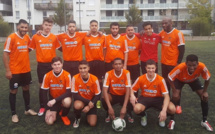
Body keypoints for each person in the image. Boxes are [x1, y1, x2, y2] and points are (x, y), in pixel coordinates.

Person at [3, 19, 37, 123]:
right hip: (15, 70)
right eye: (22, 27)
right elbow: (5, 54)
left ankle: (27, 109)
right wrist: (8, 70)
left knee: (26, 88)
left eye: (26, 27)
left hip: (26, 69)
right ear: (18, 27)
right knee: (14, 90)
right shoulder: (11, 37)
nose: (24, 29)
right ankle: (14, 114)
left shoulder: (27, 37)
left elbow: (31, 46)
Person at [168, 54, 213, 132]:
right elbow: (169, 77)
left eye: (194, 65)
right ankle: (172, 120)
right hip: (179, 80)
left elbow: (208, 78)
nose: (192, 67)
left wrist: (205, 91)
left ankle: (204, 121)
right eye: (189, 65)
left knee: (205, 97)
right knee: (175, 96)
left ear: (197, 64)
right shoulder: (180, 67)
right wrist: (174, 90)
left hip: (193, 80)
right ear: (186, 64)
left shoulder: (202, 66)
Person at [130, 59, 176, 130]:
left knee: (172, 109)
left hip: (158, 99)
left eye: (152, 68)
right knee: (136, 109)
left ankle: (162, 118)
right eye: (149, 68)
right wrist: (132, 95)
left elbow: (166, 96)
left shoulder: (160, 79)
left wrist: (163, 111)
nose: (150, 70)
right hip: (145, 98)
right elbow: (132, 89)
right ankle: (143, 115)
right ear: (145, 68)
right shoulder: (141, 78)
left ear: (155, 68)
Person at [29, 18, 61, 116]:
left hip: (52, 65)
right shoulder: (36, 37)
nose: (48, 27)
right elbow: (29, 49)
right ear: (42, 25)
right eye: (46, 25)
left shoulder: (54, 37)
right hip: (41, 65)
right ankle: (42, 106)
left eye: (50, 25)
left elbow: (60, 48)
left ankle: (52, 105)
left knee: (52, 86)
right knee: (42, 87)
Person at [159, 17, 185, 114]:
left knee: (175, 85)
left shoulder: (178, 33)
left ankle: (178, 104)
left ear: (171, 23)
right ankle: (168, 102)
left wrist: (178, 63)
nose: (163, 25)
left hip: (174, 64)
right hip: (164, 63)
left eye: (165, 23)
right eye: (163, 23)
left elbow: (182, 49)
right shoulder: (162, 33)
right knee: (166, 84)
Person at [41, 57, 72, 125]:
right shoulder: (47, 75)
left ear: (62, 64)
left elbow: (68, 92)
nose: (57, 66)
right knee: (49, 122)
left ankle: (64, 115)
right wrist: (48, 109)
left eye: (58, 64)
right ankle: (59, 109)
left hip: (63, 98)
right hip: (53, 100)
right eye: (54, 65)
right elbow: (44, 93)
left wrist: (55, 100)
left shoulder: (67, 75)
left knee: (67, 102)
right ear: (52, 65)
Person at [102, 58, 133, 123]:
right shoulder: (108, 73)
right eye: (116, 64)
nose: (118, 66)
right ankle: (108, 112)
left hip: (124, 95)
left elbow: (128, 90)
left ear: (122, 65)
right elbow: (104, 90)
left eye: (120, 64)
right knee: (104, 97)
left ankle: (129, 112)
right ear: (113, 65)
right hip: (113, 95)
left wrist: (124, 107)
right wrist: (110, 108)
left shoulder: (126, 73)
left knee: (132, 98)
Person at [71, 60, 101, 128]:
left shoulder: (94, 79)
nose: (82, 70)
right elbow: (75, 95)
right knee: (77, 105)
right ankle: (77, 118)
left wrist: (90, 105)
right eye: (80, 68)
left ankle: (89, 113)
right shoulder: (75, 78)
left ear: (88, 68)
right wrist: (88, 102)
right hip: (81, 100)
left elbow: (98, 95)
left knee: (92, 124)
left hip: (91, 102)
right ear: (78, 69)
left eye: (84, 68)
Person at [83, 20, 106, 108]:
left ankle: (98, 100)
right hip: (89, 62)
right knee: (90, 81)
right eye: (92, 25)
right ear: (90, 27)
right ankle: (90, 99)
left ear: (97, 27)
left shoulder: (102, 37)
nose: (94, 27)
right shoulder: (85, 37)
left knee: (99, 82)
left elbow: (104, 49)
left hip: (99, 62)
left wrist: (103, 59)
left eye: (95, 25)